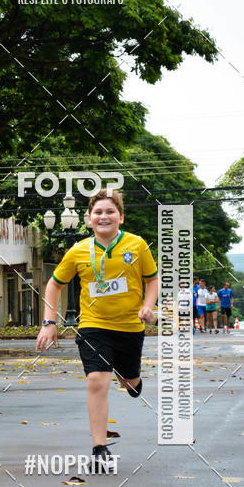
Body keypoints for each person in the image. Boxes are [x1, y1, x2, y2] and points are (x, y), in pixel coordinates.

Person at [36, 189, 158, 472]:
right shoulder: (78, 250)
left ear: (121, 217)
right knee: (96, 381)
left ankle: (132, 380)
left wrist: (148, 306)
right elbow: (54, 284)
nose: (104, 217)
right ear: (89, 219)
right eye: (98, 212)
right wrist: (49, 322)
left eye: (110, 212)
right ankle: (99, 447)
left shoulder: (137, 245)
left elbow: (152, 280)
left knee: (129, 382)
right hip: (93, 326)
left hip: (130, 327)